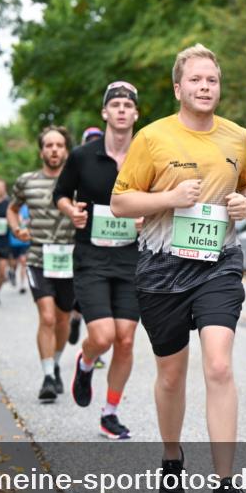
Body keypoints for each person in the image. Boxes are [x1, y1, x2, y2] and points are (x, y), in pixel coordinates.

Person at [111, 44, 246, 493]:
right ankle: (172, 456)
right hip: (161, 268)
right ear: (179, 88)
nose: (205, 87)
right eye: (196, 80)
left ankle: (225, 486)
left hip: (218, 263)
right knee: (171, 374)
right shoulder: (153, 139)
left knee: (218, 366)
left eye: (212, 80)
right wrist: (169, 198)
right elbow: (120, 203)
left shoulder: (238, 138)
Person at [54, 82, 144, 440]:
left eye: (128, 105)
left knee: (125, 339)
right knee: (103, 336)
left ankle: (110, 413)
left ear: (136, 114)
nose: (122, 110)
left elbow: (160, 200)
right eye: (115, 105)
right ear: (105, 113)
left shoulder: (147, 156)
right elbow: (61, 193)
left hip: (132, 258)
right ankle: (85, 361)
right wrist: (70, 210)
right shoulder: (82, 156)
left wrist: (147, 217)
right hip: (91, 256)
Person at [10, 126, 78, 402]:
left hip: (70, 259)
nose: (54, 150)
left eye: (59, 145)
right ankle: (48, 377)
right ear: (41, 151)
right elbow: (12, 208)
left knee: (62, 319)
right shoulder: (26, 181)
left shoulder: (78, 181)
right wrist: (16, 229)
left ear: (66, 150)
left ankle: (57, 362)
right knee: (47, 317)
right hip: (38, 257)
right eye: (49, 145)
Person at [67, 125, 105, 356]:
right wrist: (73, 211)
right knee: (85, 295)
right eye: (90, 140)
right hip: (81, 242)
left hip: (109, 243)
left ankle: (96, 350)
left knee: (106, 304)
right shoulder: (77, 165)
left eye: (97, 140)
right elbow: (63, 198)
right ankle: (75, 317)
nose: (94, 144)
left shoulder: (115, 165)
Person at [8, 203, 30, 294]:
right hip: (14, 241)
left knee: (23, 261)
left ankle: (22, 284)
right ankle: (12, 271)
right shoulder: (12, 207)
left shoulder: (28, 208)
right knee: (14, 262)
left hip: (25, 240)